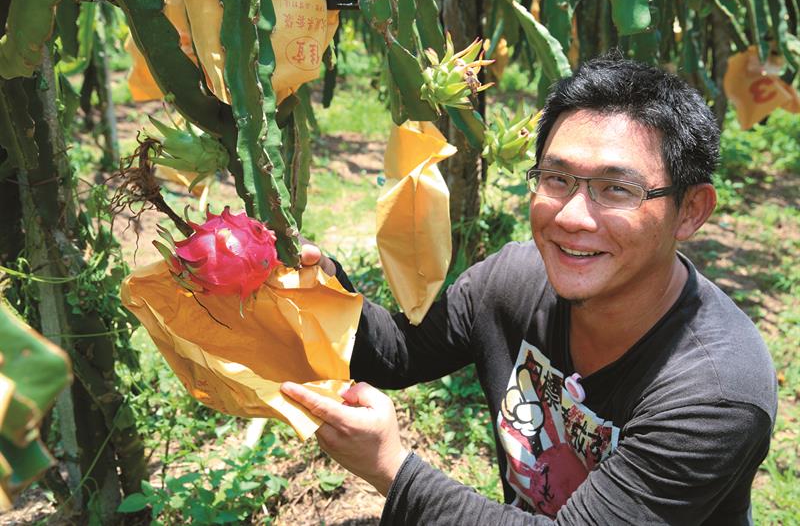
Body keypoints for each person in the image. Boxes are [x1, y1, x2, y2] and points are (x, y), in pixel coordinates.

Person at [282, 54, 778, 524]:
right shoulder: (512, 281)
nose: (572, 216)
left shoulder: (716, 394)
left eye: (617, 189)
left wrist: (390, 466)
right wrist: (319, 279)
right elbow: (395, 354)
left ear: (690, 210)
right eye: (557, 178)